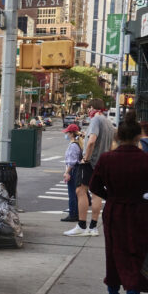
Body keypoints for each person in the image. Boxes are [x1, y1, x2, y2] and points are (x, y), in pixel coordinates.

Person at [89, 113, 148, 294]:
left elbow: (94, 187)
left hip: (115, 211)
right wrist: (147, 194)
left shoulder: (106, 159)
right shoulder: (147, 160)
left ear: (117, 137)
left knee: (114, 254)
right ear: (137, 138)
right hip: (141, 213)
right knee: (137, 256)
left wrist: (112, 197)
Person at [64, 98, 114, 237]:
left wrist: (85, 158)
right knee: (97, 194)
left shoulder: (96, 120)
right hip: (102, 163)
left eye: (88, 108)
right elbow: (111, 145)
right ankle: (93, 227)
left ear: (92, 108)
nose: (88, 111)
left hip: (90, 162)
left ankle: (81, 225)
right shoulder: (108, 122)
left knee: (81, 190)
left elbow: (91, 141)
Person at [62, 124, 83, 223]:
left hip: (74, 170)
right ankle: (75, 213)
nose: (66, 134)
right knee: (75, 193)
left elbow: (72, 162)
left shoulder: (74, 145)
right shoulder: (77, 143)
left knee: (72, 194)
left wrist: (67, 172)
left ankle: (73, 214)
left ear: (71, 133)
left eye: (67, 132)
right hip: (76, 170)